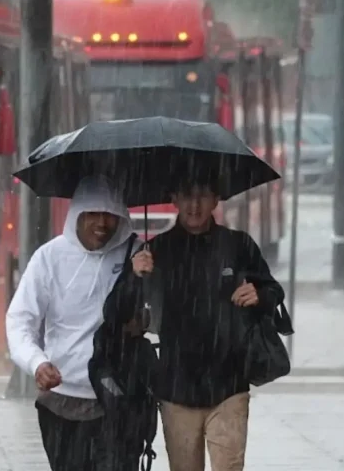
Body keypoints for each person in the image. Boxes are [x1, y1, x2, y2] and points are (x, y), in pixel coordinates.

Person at [113, 177, 285, 471]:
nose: (195, 205)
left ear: (216, 199)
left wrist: (260, 294)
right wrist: (133, 274)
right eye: (187, 196)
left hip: (229, 386)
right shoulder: (156, 251)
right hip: (176, 389)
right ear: (174, 199)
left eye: (203, 196)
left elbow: (273, 290)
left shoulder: (237, 244)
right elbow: (117, 310)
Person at [6, 176, 140, 471]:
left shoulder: (137, 256)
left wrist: (143, 287)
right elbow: (20, 320)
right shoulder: (49, 258)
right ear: (77, 213)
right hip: (61, 401)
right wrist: (37, 363)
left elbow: (158, 314)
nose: (102, 223)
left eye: (110, 214)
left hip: (118, 398)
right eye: (92, 213)